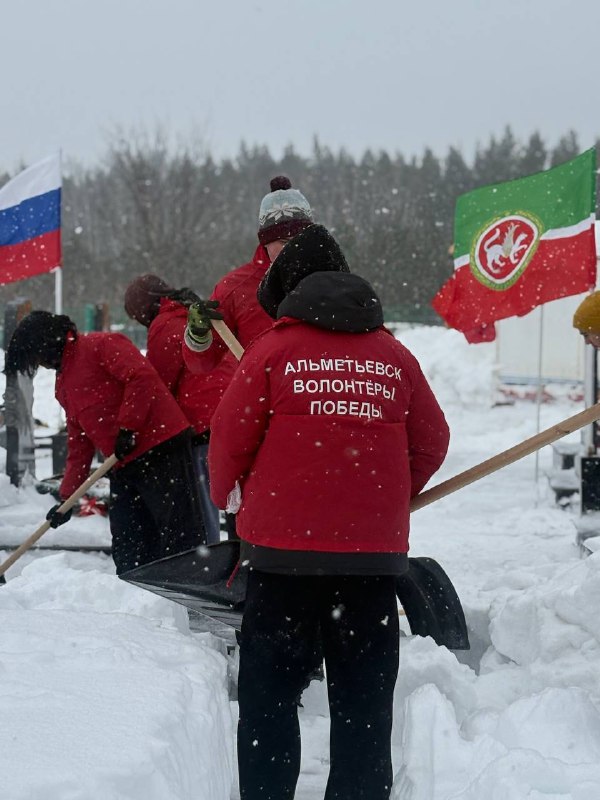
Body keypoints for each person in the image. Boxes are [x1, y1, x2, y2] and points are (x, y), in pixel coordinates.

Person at [208, 224, 450, 800]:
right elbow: (433, 439)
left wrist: (229, 497)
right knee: (364, 703)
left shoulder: (273, 350)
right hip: (370, 566)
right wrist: (382, 498)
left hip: (282, 562)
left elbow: (228, 440)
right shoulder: (394, 354)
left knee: (269, 698)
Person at [5, 311, 206, 575]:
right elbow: (80, 443)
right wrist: (66, 499)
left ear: (47, 343)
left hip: (161, 448)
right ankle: (138, 595)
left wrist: (128, 427)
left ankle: (186, 595)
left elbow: (140, 377)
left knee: (176, 532)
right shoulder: (62, 384)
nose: (40, 364)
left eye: (37, 356)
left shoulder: (102, 345)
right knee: (128, 542)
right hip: (123, 462)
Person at [123, 273, 235, 544]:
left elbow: (159, 385)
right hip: (233, 415)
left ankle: (210, 566)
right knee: (236, 503)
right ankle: (242, 562)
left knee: (203, 510)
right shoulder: (193, 314)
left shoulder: (164, 324)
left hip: (202, 425)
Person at [182, 175, 314, 366]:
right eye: (284, 242)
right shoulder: (235, 288)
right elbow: (202, 365)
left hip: (317, 392)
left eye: (300, 240)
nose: (293, 249)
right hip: (259, 393)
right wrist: (199, 336)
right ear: (265, 242)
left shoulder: (329, 282)